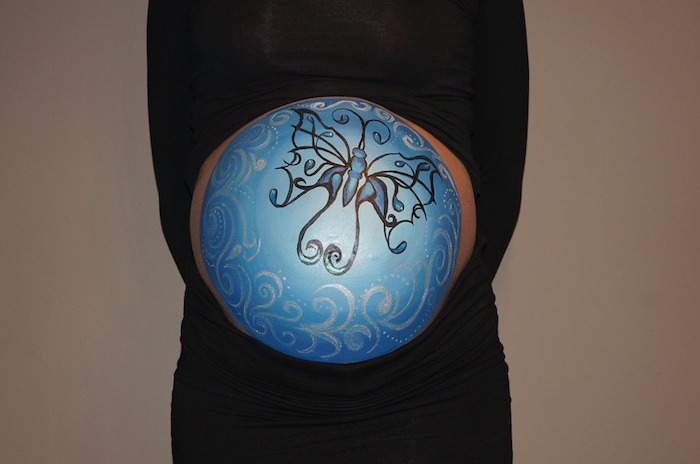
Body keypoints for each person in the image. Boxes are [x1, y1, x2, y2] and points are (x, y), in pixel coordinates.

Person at [147, 1, 528, 462]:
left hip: (437, 374)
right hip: (240, 378)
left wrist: (437, 286)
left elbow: (501, 163)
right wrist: (227, 287)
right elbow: (173, 155)